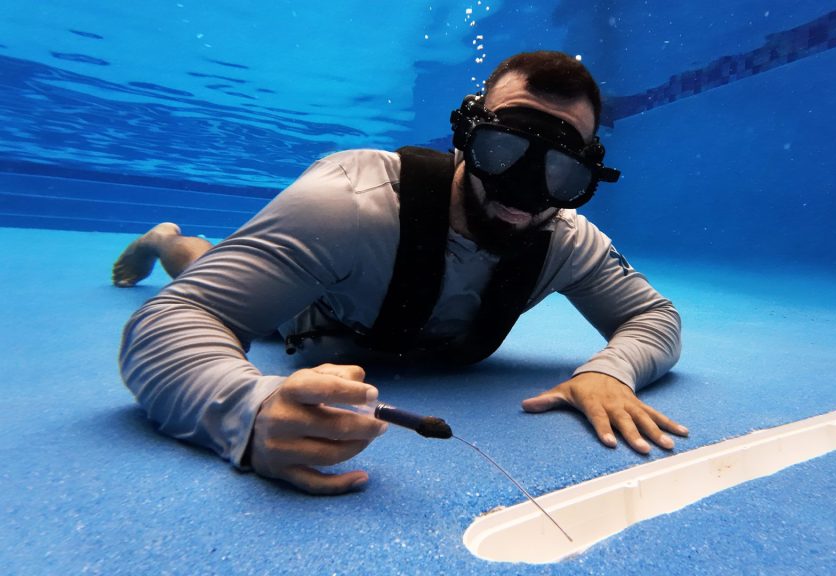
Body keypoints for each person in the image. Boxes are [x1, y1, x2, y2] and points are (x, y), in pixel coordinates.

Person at [114, 51, 686, 495]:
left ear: (584, 176)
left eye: (560, 172)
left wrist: (613, 371)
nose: (523, 193)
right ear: (467, 137)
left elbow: (651, 314)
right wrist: (245, 407)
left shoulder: (565, 240)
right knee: (201, 270)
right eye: (503, 151)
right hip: (306, 311)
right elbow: (179, 315)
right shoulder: (349, 205)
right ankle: (167, 240)